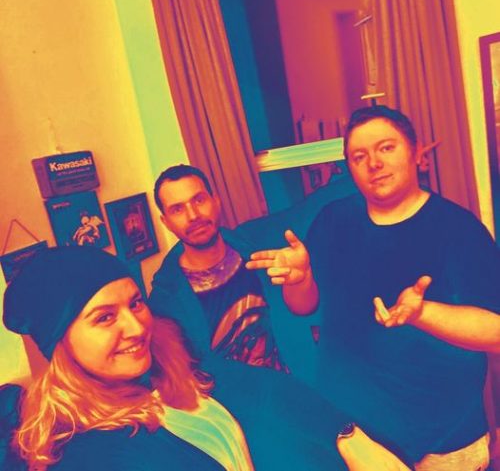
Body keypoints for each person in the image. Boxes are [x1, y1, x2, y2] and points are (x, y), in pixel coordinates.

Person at [0, 246, 412, 471]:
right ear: (61, 345)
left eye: (135, 303)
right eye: (104, 317)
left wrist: (347, 435)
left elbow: (266, 388)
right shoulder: (84, 455)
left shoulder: (169, 364)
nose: (136, 327)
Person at [247, 105, 500, 470]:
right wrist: (300, 280)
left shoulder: (459, 229)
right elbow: (305, 307)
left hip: (442, 440)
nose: (374, 164)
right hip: (357, 438)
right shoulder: (333, 220)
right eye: (359, 156)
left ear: (416, 153)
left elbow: (495, 333)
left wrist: (424, 313)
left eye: (386, 148)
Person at [149, 164, 357, 384]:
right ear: (166, 222)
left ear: (216, 201)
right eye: (177, 209)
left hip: (301, 386)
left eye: (199, 200)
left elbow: (313, 207)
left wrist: (301, 281)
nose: (193, 215)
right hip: (240, 402)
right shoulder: (165, 302)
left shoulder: (257, 242)